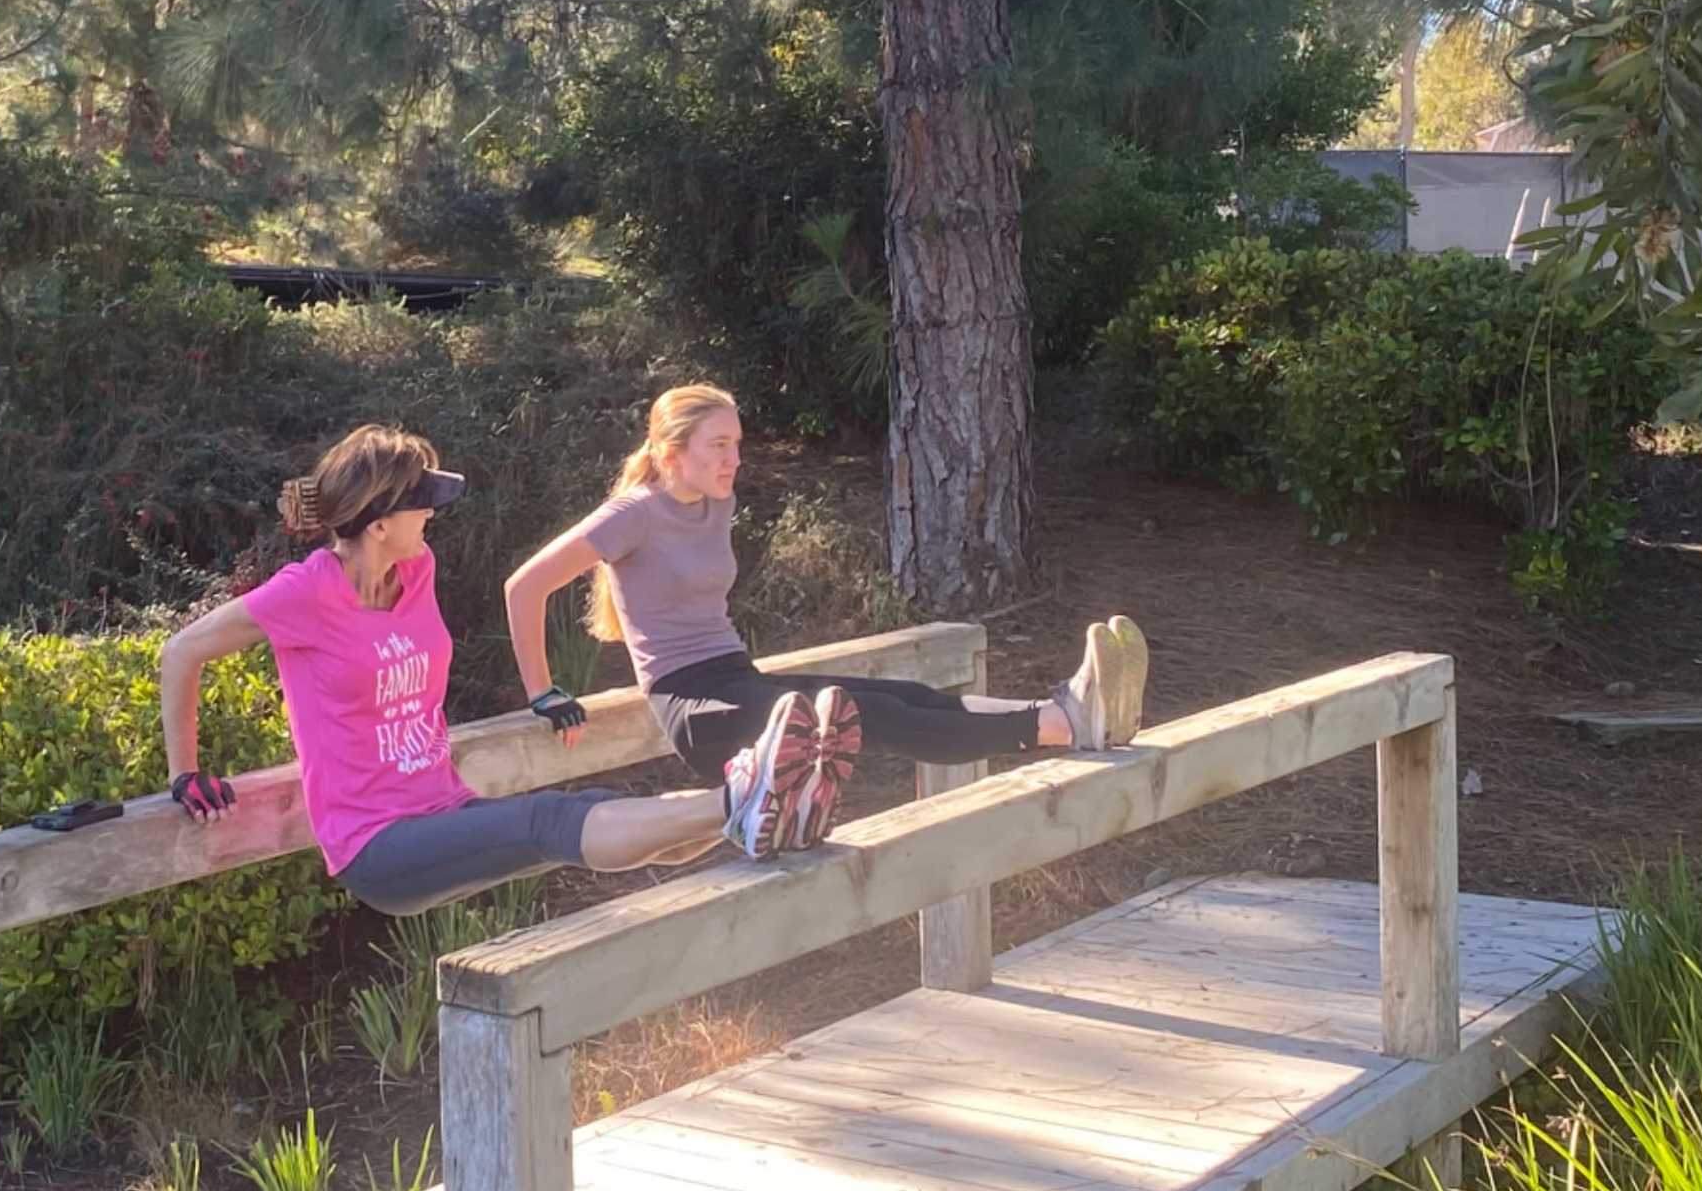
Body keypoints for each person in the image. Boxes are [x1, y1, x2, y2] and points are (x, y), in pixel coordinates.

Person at [155, 424, 860, 920]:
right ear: (378, 524)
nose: (433, 514)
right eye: (422, 503)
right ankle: (745, 798)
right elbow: (180, 652)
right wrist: (185, 773)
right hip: (377, 846)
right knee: (548, 819)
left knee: (595, 807)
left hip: (444, 807)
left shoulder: (416, 570)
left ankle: (760, 814)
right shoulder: (305, 593)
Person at [501, 382, 1149, 779]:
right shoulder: (632, 514)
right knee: (870, 714)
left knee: (907, 694)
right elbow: (524, 588)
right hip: (696, 708)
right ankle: (1062, 726)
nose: (734, 459)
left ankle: (1068, 712)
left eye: (737, 443)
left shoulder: (716, 503)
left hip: (737, 677)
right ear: (673, 453)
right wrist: (543, 692)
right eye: (719, 445)